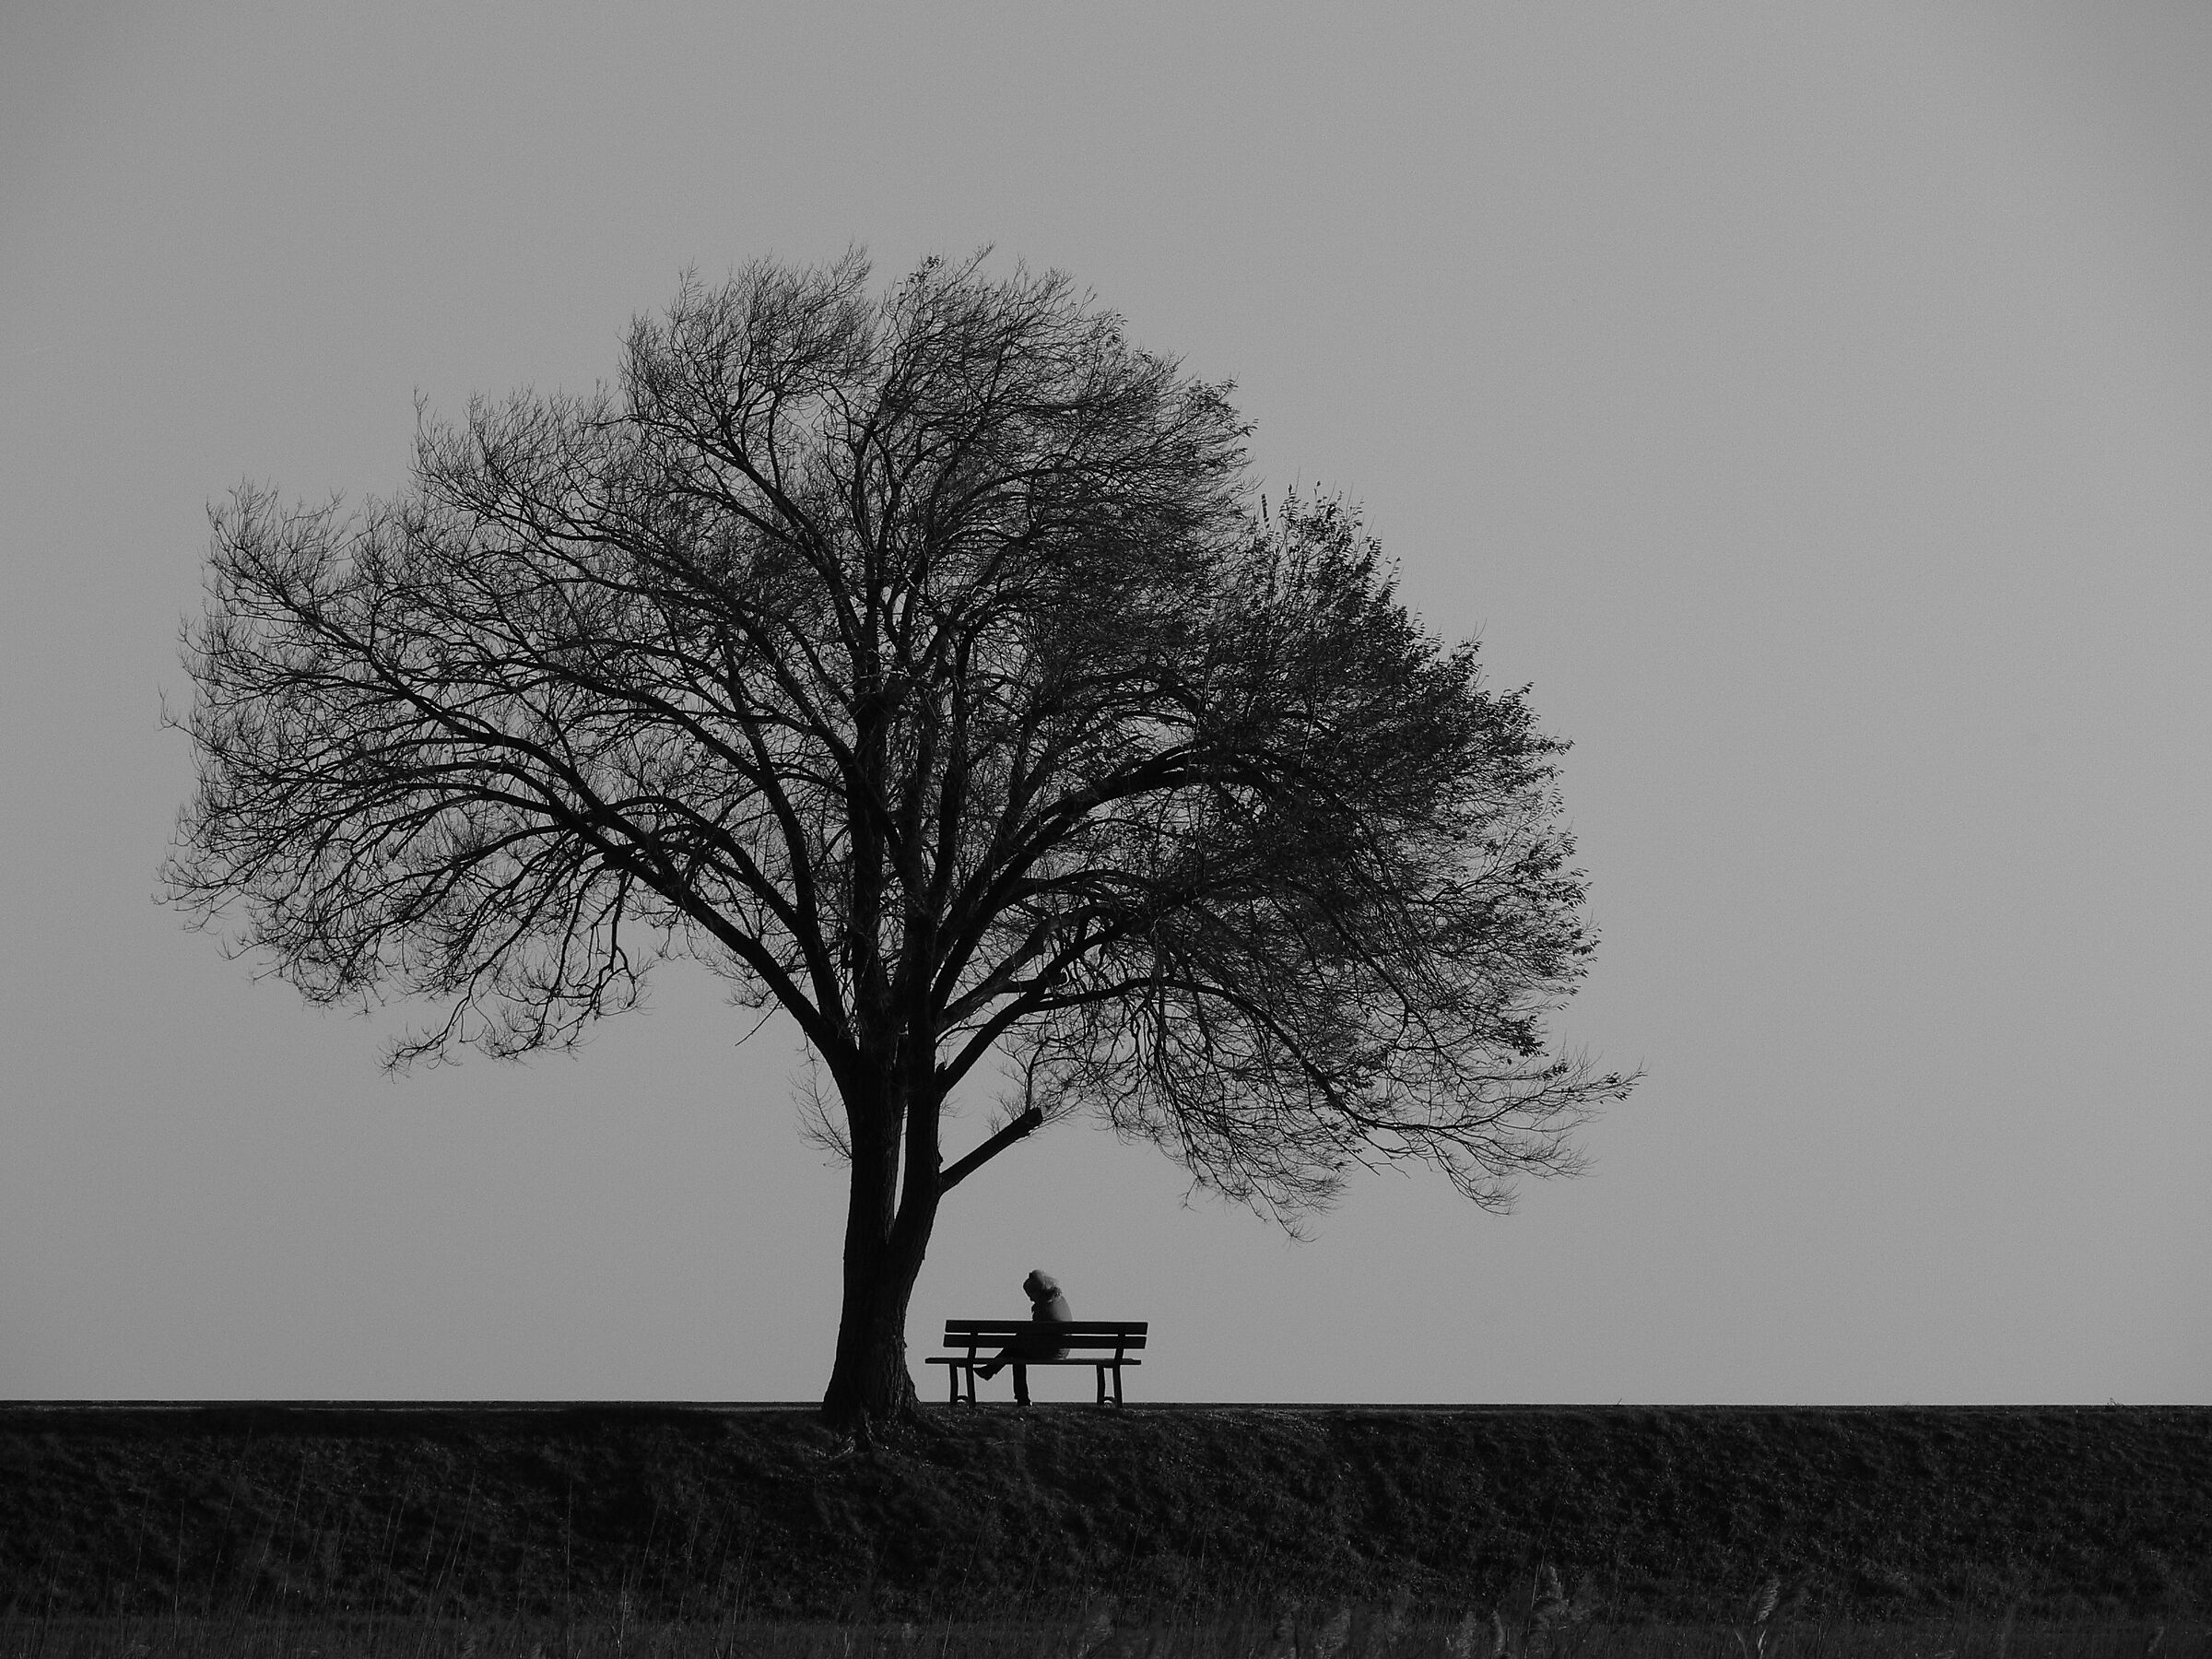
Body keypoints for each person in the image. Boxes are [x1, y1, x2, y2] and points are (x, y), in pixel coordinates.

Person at [975, 1269, 1072, 1405]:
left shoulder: (1044, 1307)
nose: (1031, 1299)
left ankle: (997, 1375)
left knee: (1016, 1352)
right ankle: (992, 1371)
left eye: (1031, 1295)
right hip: (1061, 1349)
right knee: (1016, 1347)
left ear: (1038, 1291)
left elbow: (1034, 1331)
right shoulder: (1058, 1300)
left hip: (1050, 1351)